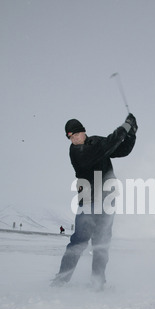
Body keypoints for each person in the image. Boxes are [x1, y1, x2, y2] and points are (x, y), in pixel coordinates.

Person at [51, 113, 138, 289]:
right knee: (79, 241)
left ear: (83, 132)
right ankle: (61, 280)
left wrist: (131, 133)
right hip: (88, 202)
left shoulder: (97, 142)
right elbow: (105, 148)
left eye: (76, 134)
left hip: (107, 201)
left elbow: (121, 150)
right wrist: (124, 127)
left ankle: (98, 281)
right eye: (70, 137)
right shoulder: (76, 151)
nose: (74, 139)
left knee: (102, 243)